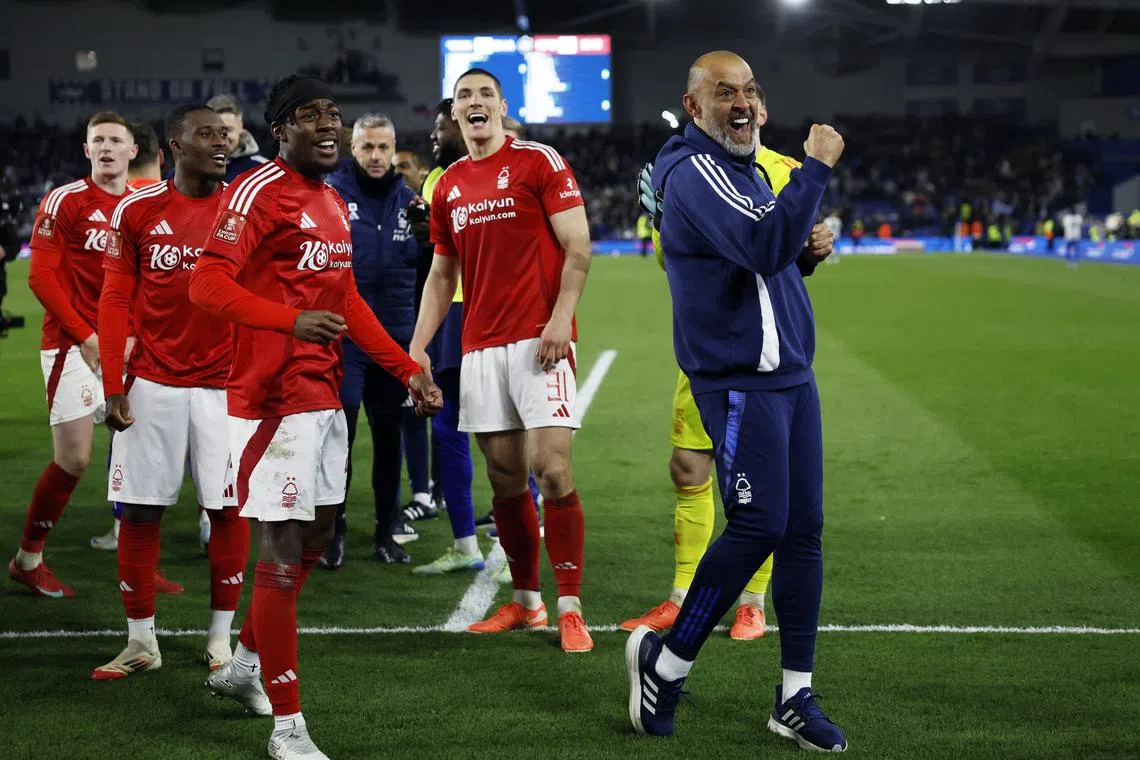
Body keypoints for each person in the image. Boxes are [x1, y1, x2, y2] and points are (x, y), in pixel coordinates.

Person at [189, 76, 441, 760]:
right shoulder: (256, 192)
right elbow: (206, 282)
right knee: (279, 549)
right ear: (280, 131)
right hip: (270, 397)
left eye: (334, 114)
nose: (328, 124)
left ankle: (244, 665)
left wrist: (406, 369)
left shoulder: (331, 200)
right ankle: (288, 728)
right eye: (311, 116)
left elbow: (347, 298)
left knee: (319, 532)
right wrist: (290, 320)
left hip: (323, 393)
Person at [625, 51, 848, 753]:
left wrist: (805, 251)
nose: (743, 103)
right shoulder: (691, 172)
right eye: (725, 94)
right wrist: (814, 170)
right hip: (738, 381)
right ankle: (667, 661)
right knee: (756, 527)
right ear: (694, 107)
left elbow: (772, 257)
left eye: (750, 90)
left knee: (803, 531)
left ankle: (794, 697)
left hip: (789, 379)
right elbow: (757, 247)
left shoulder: (745, 169)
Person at [410, 68, 595, 653]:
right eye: (464, 96)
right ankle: (526, 603)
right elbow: (443, 273)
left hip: (541, 339)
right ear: (455, 113)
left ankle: (569, 606)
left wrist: (561, 317)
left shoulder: (539, 161)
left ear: (502, 106)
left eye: (484, 94)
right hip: (480, 346)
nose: (475, 103)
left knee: (553, 469)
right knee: (505, 477)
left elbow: (578, 246)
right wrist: (417, 346)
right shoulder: (450, 185)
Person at [90, 104, 250, 679]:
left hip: (226, 389)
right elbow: (113, 299)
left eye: (224, 134)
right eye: (206, 135)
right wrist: (113, 384)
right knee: (137, 514)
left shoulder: (243, 208)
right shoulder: (137, 209)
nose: (221, 142)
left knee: (228, 510)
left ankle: (218, 640)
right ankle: (141, 643)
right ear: (176, 147)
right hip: (152, 383)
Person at [8, 111, 138, 598]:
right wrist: (86, 336)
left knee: (139, 461)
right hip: (71, 345)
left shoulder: (143, 204)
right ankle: (28, 558)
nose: (106, 147)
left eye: (115, 140)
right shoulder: (65, 200)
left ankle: (139, 568)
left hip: (128, 348)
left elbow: (149, 285)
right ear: (87, 150)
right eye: (97, 140)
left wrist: (134, 339)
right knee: (76, 458)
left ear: (131, 151)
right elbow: (41, 277)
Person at [321, 113, 434, 567]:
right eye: (367, 147)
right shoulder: (329, 196)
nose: (375, 156)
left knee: (389, 439)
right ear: (354, 149)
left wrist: (426, 241)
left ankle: (385, 532)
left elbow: (427, 274)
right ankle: (335, 529)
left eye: (383, 148)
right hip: (344, 340)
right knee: (339, 436)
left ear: (394, 150)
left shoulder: (410, 203)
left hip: (394, 342)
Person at [206, 93, 270, 181]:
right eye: (214, 131)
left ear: (240, 127)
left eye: (227, 130)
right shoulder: (189, 169)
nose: (220, 139)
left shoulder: (263, 170)